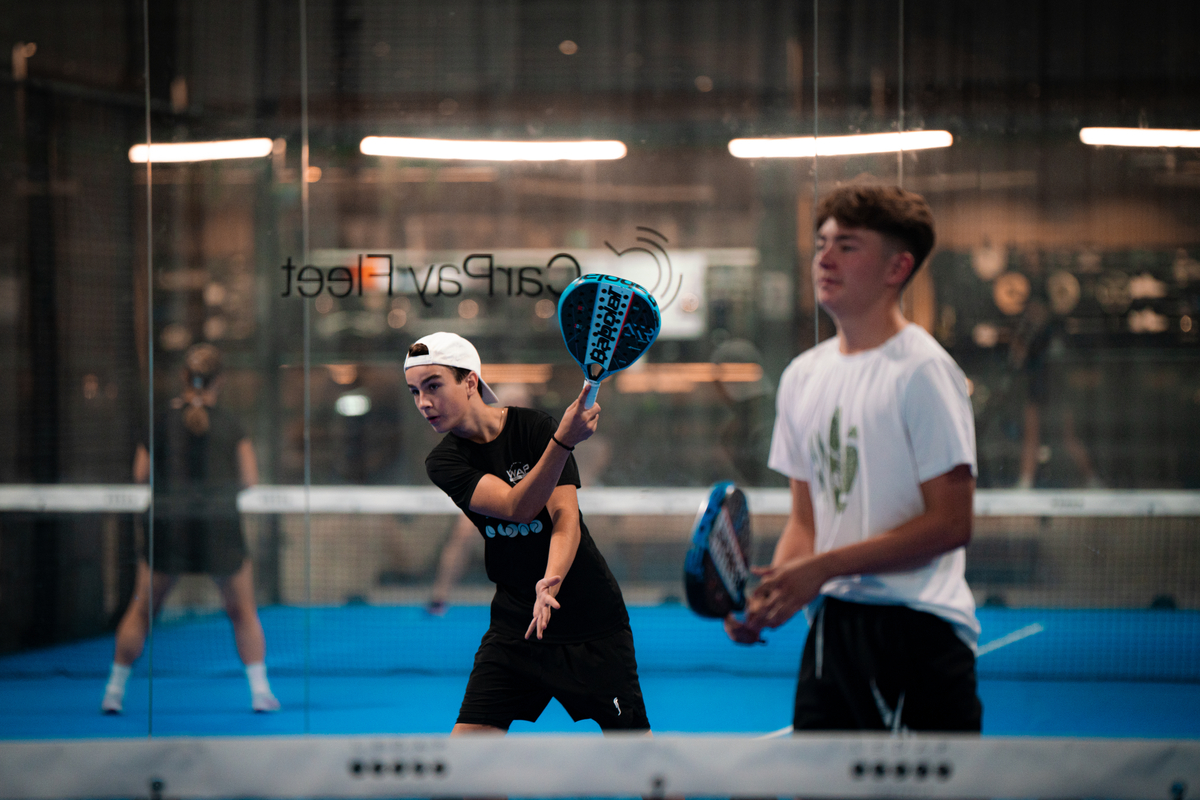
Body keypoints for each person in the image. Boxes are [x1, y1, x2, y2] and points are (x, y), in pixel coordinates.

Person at [727, 185, 983, 733]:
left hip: (918, 632)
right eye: (821, 243)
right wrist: (773, 596)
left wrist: (822, 569)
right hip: (831, 633)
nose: (825, 258)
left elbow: (951, 523)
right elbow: (806, 522)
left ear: (898, 267)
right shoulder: (801, 377)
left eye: (847, 246)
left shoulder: (925, 372)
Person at [405, 331, 650, 734]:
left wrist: (550, 582)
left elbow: (565, 518)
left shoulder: (534, 427)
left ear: (470, 382)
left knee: (640, 757)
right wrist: (563, 442)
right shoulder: (444, 461)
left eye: (433, 386)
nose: (423, 402)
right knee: (465, 760)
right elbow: (516, 508)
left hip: (591, 622)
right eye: (415, 391)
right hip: (516, 627)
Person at [101, 343, 279, 714]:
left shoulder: (160, 421)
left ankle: (113, 693)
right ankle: (261, 693)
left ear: (184, 377)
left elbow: (140, 475)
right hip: (219, 529)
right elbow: (249, 479)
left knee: (141, 611)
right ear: (221, 380)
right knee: (243, 612)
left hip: (170, 528)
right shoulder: (230, 423)